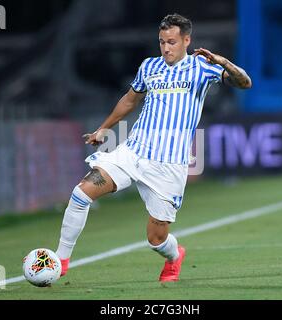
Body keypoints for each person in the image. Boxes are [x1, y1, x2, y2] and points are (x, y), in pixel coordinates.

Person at [55, 13, 251, 282]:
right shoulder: (149, 67)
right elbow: (130, 99)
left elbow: (245, 83)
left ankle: (174, 255)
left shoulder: (203, 68)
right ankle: (60, 261)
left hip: (169, 165)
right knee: (81, 194)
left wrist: (224, 62)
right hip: (133, 152)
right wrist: (104, 128)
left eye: (172, 42)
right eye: (162, 42)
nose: (166, 48)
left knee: (156, 240)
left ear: (186, 40)